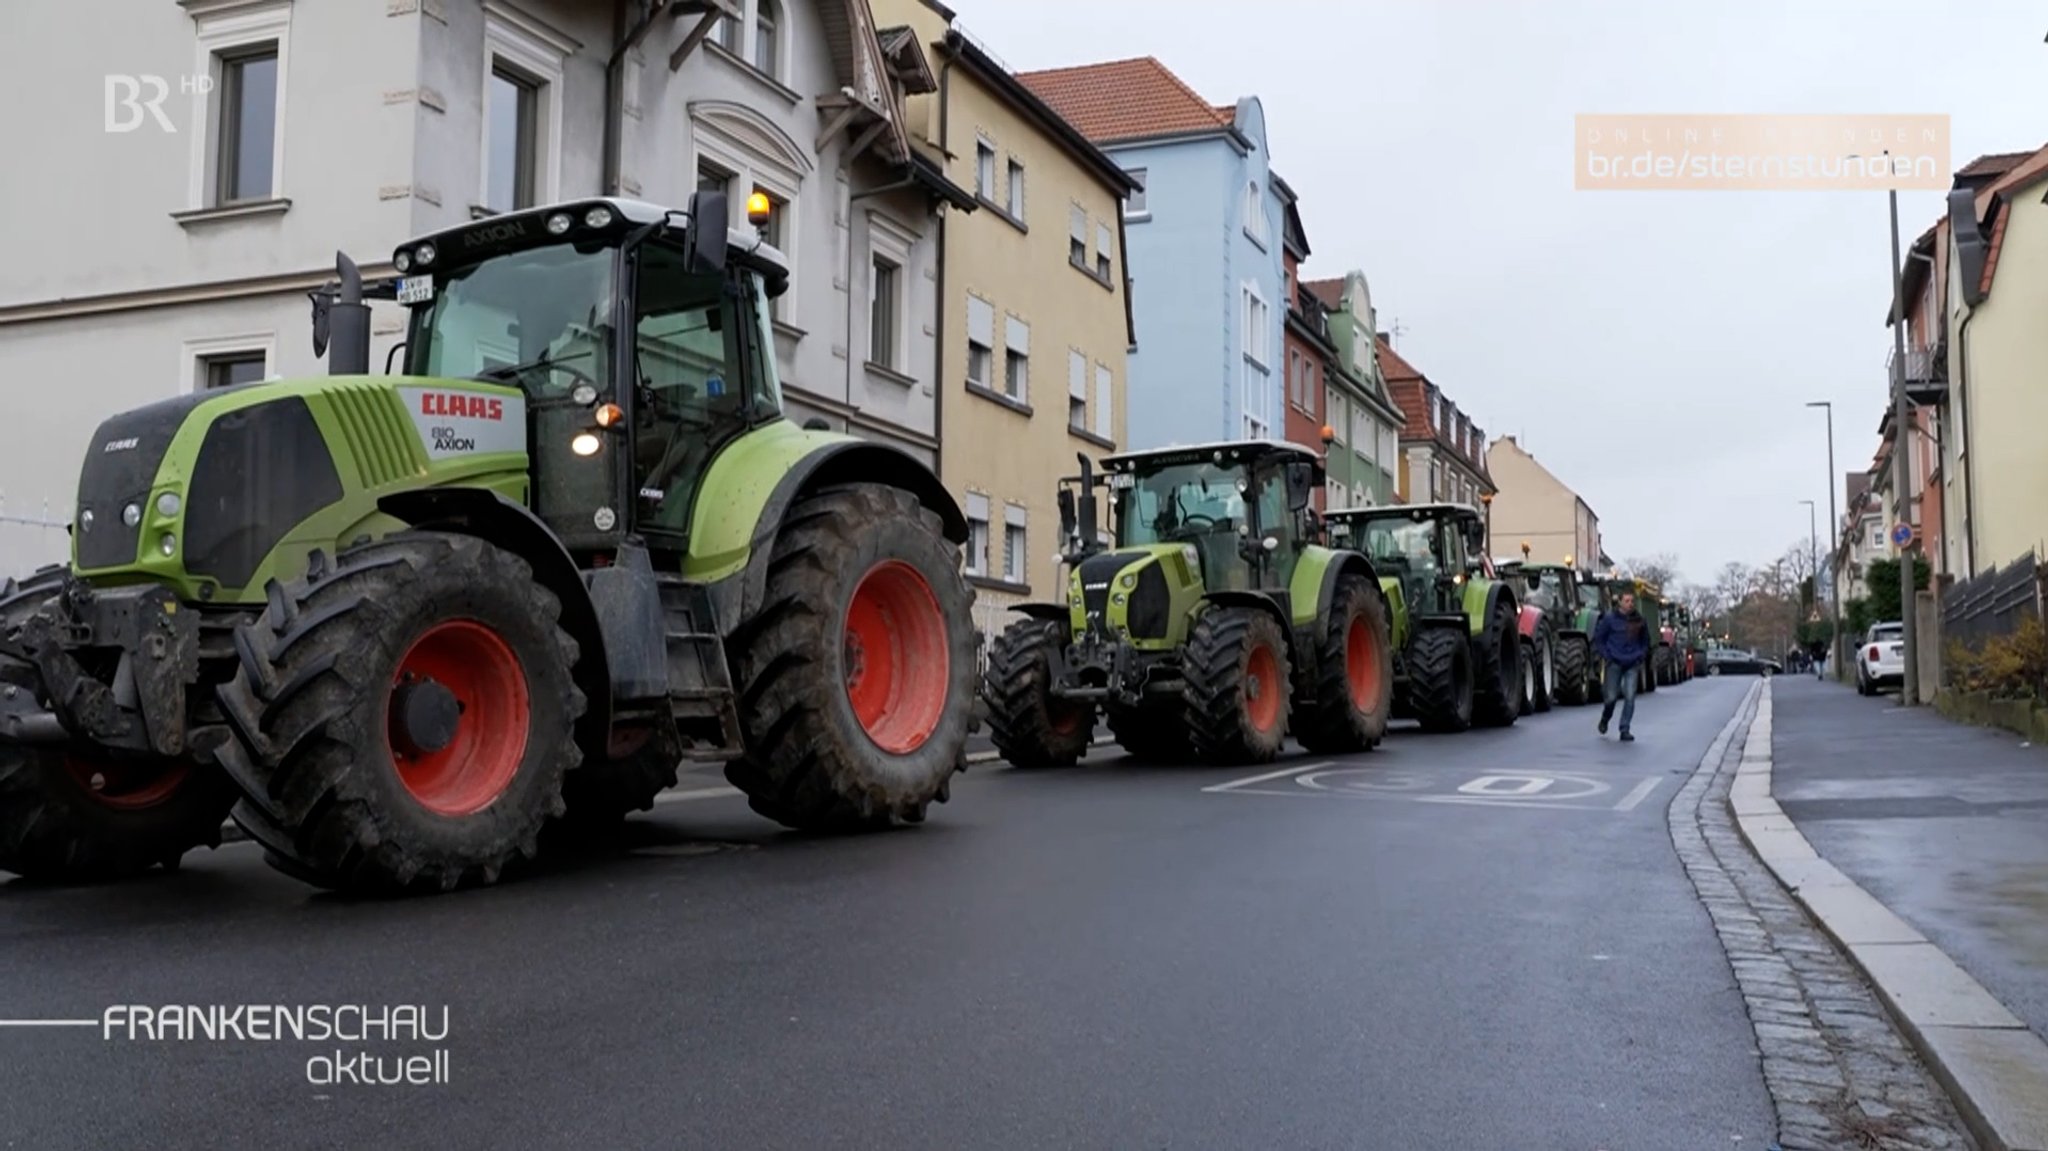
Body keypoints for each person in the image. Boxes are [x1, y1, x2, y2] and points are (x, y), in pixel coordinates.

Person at [1592, 590, 1650, 741]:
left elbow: (1645, 641)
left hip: (1632, 663)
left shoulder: (1639, 621)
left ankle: (1625, 729)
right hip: (1614, 662)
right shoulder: (1610, 619)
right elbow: (1599, 639)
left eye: (1632, 601)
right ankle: (1605, 718)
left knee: (1630, 696)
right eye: (1627, 601)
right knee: (1611, 697)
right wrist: (1607, 656)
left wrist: (1640, 655)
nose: (1630, 604)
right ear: (1620, 603)